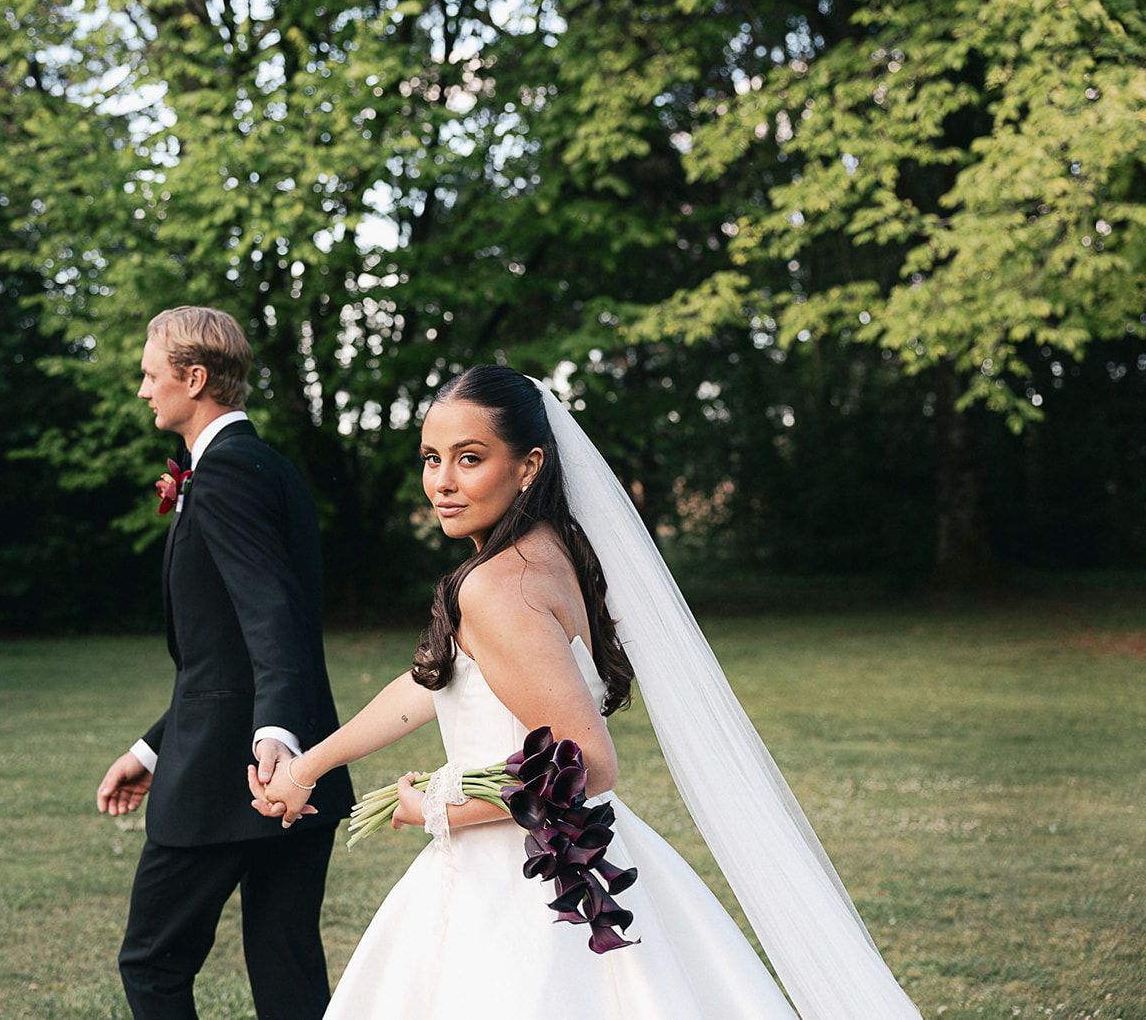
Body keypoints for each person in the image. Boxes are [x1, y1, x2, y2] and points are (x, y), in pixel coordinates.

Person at [253, 364, 921, 1020]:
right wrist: (310, 765)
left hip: (516, 879)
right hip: (576, 853)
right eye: (432, 458)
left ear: (529, 464)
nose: (443, 483)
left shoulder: (496, 587)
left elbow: (590, 763)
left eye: (470, 458)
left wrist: (437, 806)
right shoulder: (551, 554)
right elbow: (434, 685)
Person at [96, 306, 353, 1020]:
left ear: (195, 378)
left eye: (152, 376)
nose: (144, 390)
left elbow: (271, 618)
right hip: (296, 761)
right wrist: (150, 749)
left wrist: (272, 737)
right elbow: (227, 649)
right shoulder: (268, 467)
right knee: (288, 974)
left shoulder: (228, 473)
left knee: (151, 963)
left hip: (232, 776)